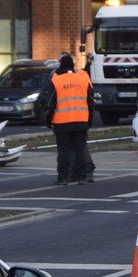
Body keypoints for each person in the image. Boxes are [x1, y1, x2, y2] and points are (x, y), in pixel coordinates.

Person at [42, 54, 94, 185]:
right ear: (72, 65)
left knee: (63, 152)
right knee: (80, 149)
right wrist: (89, 120)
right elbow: (90, 102)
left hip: (61, 122)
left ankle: (63, 177)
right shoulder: (82, 80)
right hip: (81, 121)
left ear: (61, 65)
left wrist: (48, 120)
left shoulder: (56, 81)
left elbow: (50, 104)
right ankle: (82, 176)